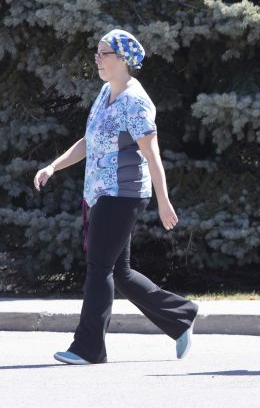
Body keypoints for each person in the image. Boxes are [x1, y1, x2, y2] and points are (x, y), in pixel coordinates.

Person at [33, 29, 198, 365]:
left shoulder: (135, 102)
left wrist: (164, 202)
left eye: (104, 53)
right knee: (118, 271)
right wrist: (54, 166)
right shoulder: (106, 92)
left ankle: (88, 347)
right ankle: (181, 315)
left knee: (98, 267)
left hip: (122, 194)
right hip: (100, 193)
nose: (97, 59)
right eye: (97, 52)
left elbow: (152, 156)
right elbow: (89, 141)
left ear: (123, 60)